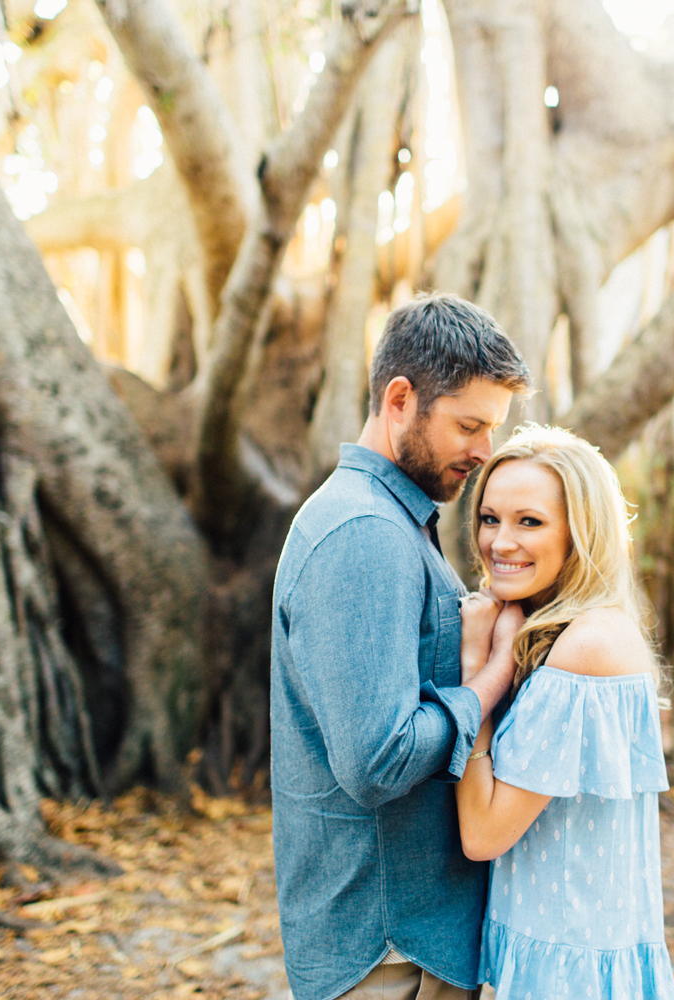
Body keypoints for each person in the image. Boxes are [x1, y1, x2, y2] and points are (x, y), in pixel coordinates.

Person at [270, 293, 532, 1000]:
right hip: (389, 952)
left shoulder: (395, 522)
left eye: (492, 429)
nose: (483, 451)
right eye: (468, 425)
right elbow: (378, 759)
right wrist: (489, 681)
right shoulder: (364, 532)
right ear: (399, 399)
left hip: (405, 938)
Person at [455, 426, 674, 1000]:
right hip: (561, 952)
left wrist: (478, 672)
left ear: (581, 533)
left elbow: (483, 834)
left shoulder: (586, 649)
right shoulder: (581, 632)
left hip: (566, 971)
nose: (501, 543)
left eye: (530, 521)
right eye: (489, 518)